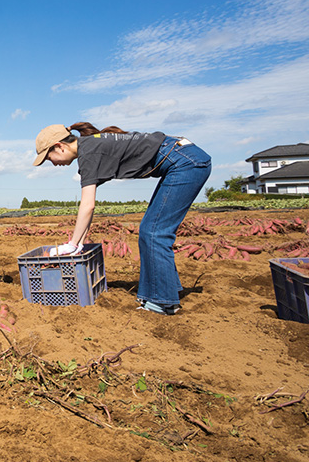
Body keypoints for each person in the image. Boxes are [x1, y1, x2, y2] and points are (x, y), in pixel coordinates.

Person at [32, 122, 211, 316]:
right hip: (184, 156)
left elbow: (88, 205)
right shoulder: (90, 147)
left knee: (154, 232)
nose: (52, 163)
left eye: (49, 157)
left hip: (185, 162)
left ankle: (163, 302)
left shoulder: (89, 153)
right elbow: (89, 209)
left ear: (60, 146)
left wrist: (72, 244)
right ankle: (166, 291)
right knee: (151, 230)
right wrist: (79, 243)